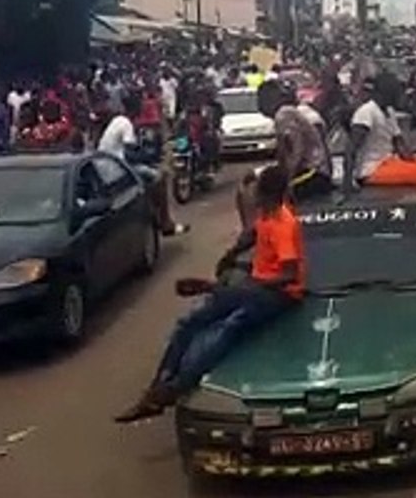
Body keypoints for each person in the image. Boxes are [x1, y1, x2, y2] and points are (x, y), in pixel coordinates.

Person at [115, 165, 304, 423]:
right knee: (190, 322)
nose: (254, 193)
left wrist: (252, 284)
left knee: (229, 326)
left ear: (269, 194)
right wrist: (230, 256)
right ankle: (157, 385)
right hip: (256, 286)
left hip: (280, 294)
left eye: (258, 190)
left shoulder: (284, 224)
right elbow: (252, 236)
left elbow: (290, 275)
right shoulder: (266, 216)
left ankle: (175, 388)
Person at [345, 73, 416, 228]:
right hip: (372, 170)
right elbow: (351, 148)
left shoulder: (388, 112)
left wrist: (414, 164)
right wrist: (348, 181)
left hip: (388, 162)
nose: (397, 96)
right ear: (384, 92)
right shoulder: (366, 113)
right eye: (394, 92)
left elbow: (399, 143)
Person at [98, 95, 189, 237]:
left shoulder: (117, 121)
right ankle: (166, 223)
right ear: (137, 109)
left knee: (149, 171)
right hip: (117, 169)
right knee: (160, 177)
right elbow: (130, 154)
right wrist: (150, 156)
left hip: (106, 168)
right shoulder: (126, 124)